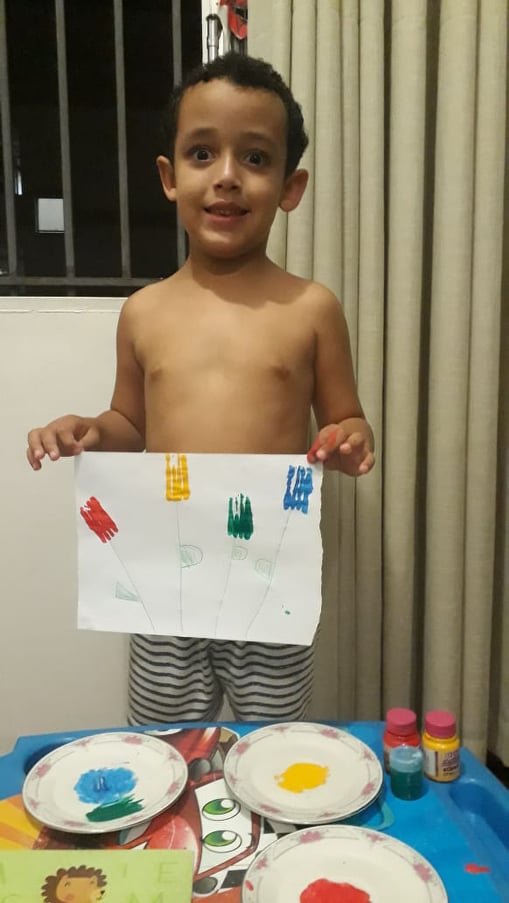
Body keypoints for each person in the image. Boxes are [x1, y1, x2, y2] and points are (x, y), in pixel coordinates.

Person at [27, 52, 374, 725]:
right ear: (169, 176)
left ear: (290, 186)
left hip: (266, 572)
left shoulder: (311, 309)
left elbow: (347, 417)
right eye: (201, 153)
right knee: (164, 741)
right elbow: (131, 424)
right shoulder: (144, 311)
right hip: (165, 573)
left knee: (270, 744)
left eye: (255, 158)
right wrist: (91, 431)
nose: (226, 177)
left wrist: (348, 439)